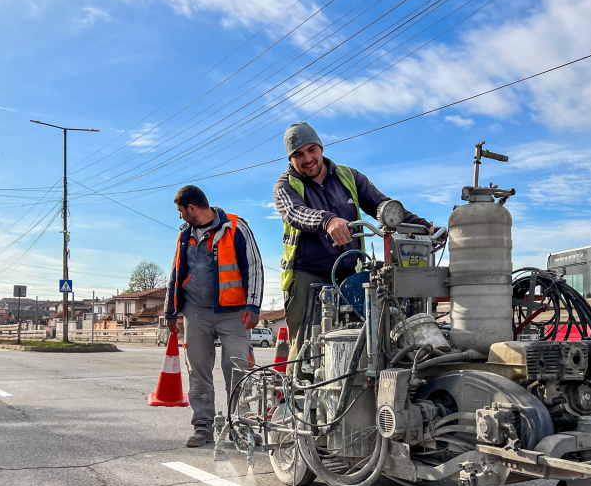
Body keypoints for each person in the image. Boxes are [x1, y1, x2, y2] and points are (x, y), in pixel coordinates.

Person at [272, 121, 443, 365]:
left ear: (321, 148)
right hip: (306, 273)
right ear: (291, 159)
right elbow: (296, 213)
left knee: (370, 331)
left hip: (348, 271)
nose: (307, 158)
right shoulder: (285, 186)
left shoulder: (348, 176)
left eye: (311, 150)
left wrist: (426, 227)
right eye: (298, 154)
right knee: (304, 344)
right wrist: (327, 220)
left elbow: (383, 206)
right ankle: (295, 394)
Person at [162, 185, 264, 447]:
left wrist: (253, 307)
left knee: (238, 370)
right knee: (199, 372)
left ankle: (241, 426)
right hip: (196, 312)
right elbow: (175, 274)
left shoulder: (236, 227)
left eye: (181, 211)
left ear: (192, 208)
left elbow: (254, 267)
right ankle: (203, 427)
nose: (181, 217)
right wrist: (170, 311)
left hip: (234, 313)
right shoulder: (185, 235)